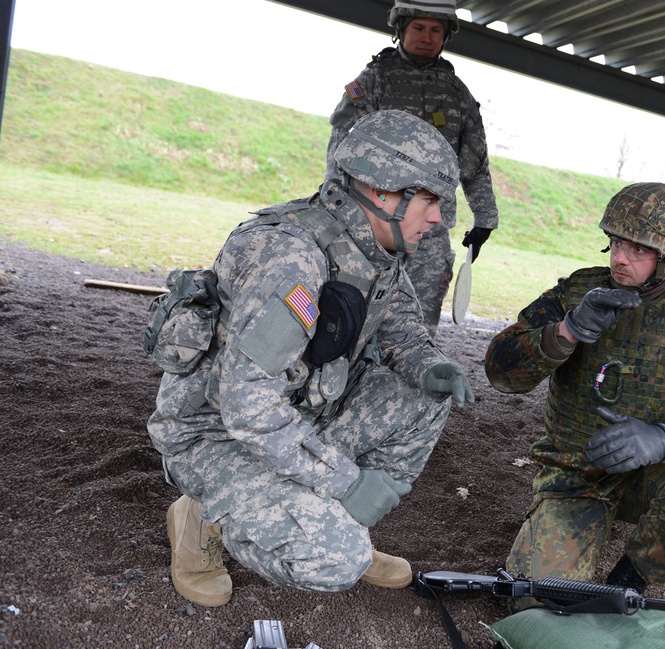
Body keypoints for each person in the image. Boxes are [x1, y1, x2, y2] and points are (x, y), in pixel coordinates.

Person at [146, 109, 475, 607]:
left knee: (424, 397)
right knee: (333, 562)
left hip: (298, 416)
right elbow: (247, 407)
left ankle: (332, 521)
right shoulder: (292, 259)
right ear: (382, 191)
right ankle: (202, 516)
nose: (438, 218)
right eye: (428, 199)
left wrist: (429, 366)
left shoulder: (375, 249)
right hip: (216, 435)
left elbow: (402, 326)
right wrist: (347, 482)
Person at [484, 182, 665, 592]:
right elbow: (499, 370)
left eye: (637, 249)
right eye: (615, 242)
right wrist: (565, 331)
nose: (619, 258)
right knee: (537, 600)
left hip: (648, 477)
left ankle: (635, 574)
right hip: (575, 474)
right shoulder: (577, 294)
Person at [325, 0, 499, 338]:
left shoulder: (457, 94)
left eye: (436, 30)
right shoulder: (373, 80)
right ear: (401, 28)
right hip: (373, 222)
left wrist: (485, 218)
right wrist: (334, 203)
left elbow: (476, 159)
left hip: (430, 230)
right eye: (418, 27)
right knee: (354, 308)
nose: (427, 36)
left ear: (446, 35)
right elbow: (343, 149)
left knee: (420, 318)